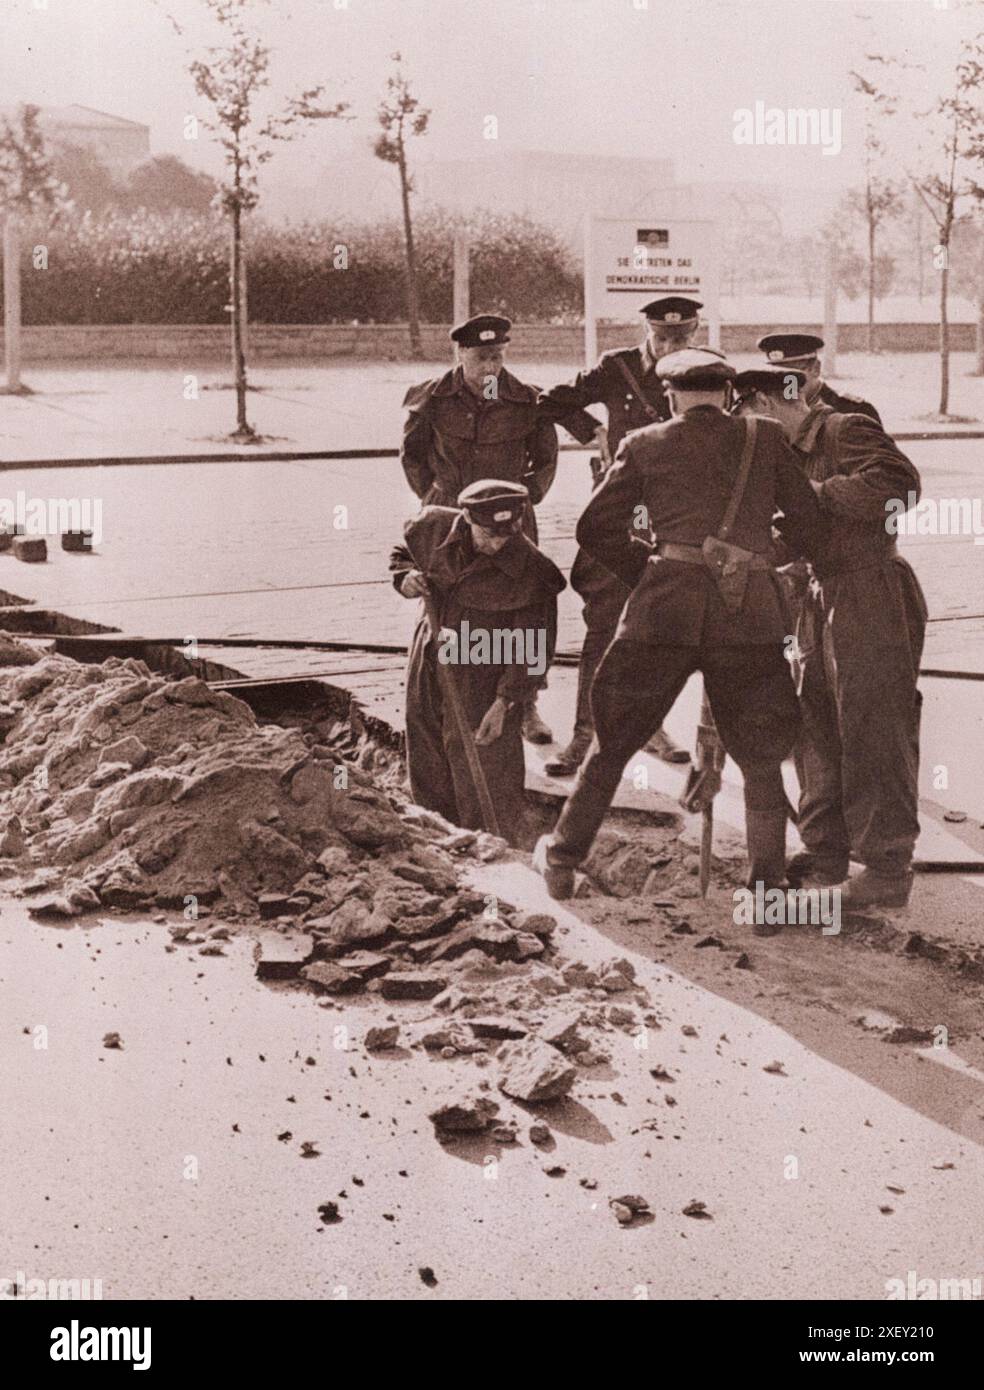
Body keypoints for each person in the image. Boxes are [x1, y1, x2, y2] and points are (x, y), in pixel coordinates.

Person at [534, 350, 821, 906]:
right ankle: (766, 893)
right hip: (750, 617)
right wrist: (752, 559)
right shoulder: (765, 438)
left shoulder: (645, 443)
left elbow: (595, 528)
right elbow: (808, 525)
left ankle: (563, 861)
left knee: (613, 742)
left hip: (662, 613)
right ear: (726, 394)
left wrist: (654, 569)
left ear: (670, 396)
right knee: (761, 759)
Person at [734, 366, 926, 910]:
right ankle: (825, 851)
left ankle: (886, 868)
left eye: (752, 415)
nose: (750, 429)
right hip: (818, 594)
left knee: (873, 725)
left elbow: (899, 486)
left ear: (774, 402)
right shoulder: (787, 452)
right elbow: (794, 533)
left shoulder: (845, 430)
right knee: (814, 723)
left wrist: (813, 493)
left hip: (871, 591)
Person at [535, 296, 706, 775]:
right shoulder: (618, 367)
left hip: (675, 515)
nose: (672, 345)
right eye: (663, 337)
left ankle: (651, 727)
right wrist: (593, 431)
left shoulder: (706, 370)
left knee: (662, 626)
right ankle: (584, 736)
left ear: (694, 332)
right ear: (648, 331)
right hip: (620, 511)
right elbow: (551, 401)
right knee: (605, 623)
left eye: (682, 336)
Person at [400, 313, 559, 745]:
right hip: (451, 514)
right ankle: (441, 694)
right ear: (460, 354)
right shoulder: (431, 399)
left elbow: (545, 461)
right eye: (481, 357)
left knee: (521, 609)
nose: (490, 366)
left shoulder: (527, 401)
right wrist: (433, 498)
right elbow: (412, 455)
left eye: (497, 356)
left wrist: (523, 499)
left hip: (509, 522)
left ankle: (524, 707)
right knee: (443, 606)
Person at [390, 479, 566, 848]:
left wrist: (506, 703)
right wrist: (404, 577)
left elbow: (533, 650)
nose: (498, 544)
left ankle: (489, 848)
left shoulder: (532, 570)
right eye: (488, 534)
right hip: (430, 655)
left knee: (484, 769)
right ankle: (437, 837)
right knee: (426, 747)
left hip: (483, 671)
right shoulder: (435, 526)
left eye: (507, 534)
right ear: (467, 517)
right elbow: (404, 551)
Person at [757, 333, 882, 424]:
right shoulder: (764, 411)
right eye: (773, 376)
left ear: (815, 369)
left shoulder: (852, 411)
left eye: (791, 376)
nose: (782, 384)